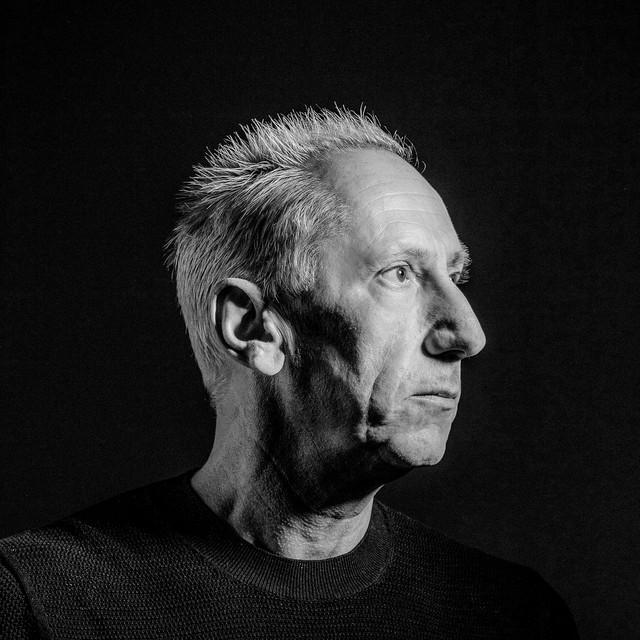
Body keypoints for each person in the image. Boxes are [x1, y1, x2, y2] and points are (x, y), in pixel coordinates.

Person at [0, 108, 578, 638]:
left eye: (456, 275)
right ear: (253, 327)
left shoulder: (515, 617)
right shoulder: (36, 605)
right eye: (399, 273)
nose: (468, 334)